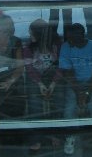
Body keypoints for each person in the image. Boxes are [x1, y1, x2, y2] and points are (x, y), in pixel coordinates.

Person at [59, 23, 92, 155]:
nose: (69, 41)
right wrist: (79, 92)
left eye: (72, 38)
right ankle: (70, 136)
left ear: (81, 36)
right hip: (74, 82)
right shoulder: (66, 47)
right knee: (69, 107)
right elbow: (67, 72)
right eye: (68, 38)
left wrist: (86, 92)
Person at [23, 19, 63, 152]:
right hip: (35, 79)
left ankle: (55, 134)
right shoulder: (28, 48)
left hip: (53, 77)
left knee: (58, 103)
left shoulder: (57, 45)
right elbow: (29, 68)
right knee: (35, 105)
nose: (29, 34)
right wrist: (40, 84)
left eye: (32, 32)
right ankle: (36, 138)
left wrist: (53, 83)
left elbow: (61, 66)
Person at [0, 13, 25, 119]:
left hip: (12, 80)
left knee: (15, 106)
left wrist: (11, 81)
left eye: (6, 29)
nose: (2, 31)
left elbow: (20, 66)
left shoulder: (15, 41)